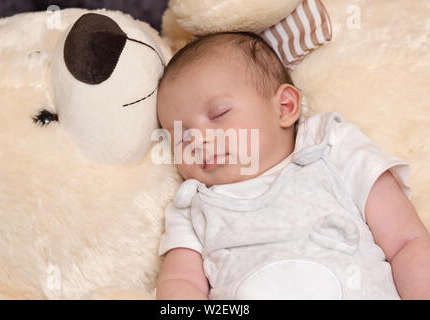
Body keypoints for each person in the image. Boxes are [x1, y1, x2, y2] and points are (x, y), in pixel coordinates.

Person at [155, 32, 430, 299]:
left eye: (218, 115)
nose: (199, 140)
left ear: (284, 107)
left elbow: (406, 241)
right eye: (181, 137)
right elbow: (180, 281)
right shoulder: (193, 206)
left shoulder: (331, 149)